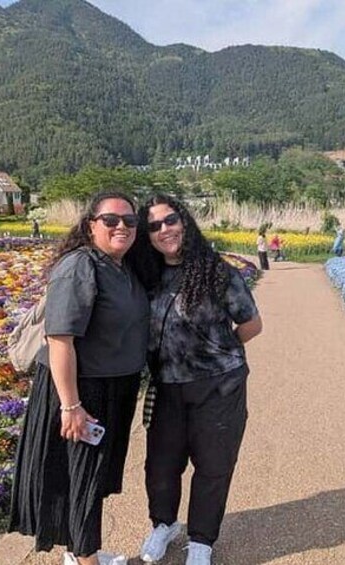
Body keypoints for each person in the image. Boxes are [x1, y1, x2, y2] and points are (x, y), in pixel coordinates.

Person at [9, 192, 149, 565]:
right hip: (82, 390)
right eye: (111, 220)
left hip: (114, 387)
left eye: (130, 221)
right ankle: (86, 560)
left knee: (90, 478)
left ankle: (79, 552)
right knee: (82, 479)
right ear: (90, 226)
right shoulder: (79, 266)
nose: (121, 227)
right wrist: (71, 405)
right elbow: (60, 340)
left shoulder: (121, 266)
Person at [128, 194, 263, 565]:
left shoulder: (217, 271)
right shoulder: (147, 274)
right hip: (166, 386)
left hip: (219, 386)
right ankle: (164, 524)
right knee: (161, 464)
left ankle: (202, 539)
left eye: (170, 220)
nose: (164, 230)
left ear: (184, 221)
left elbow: (251, 324)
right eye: (154, 226)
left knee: (213, 464)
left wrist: (219, 351)